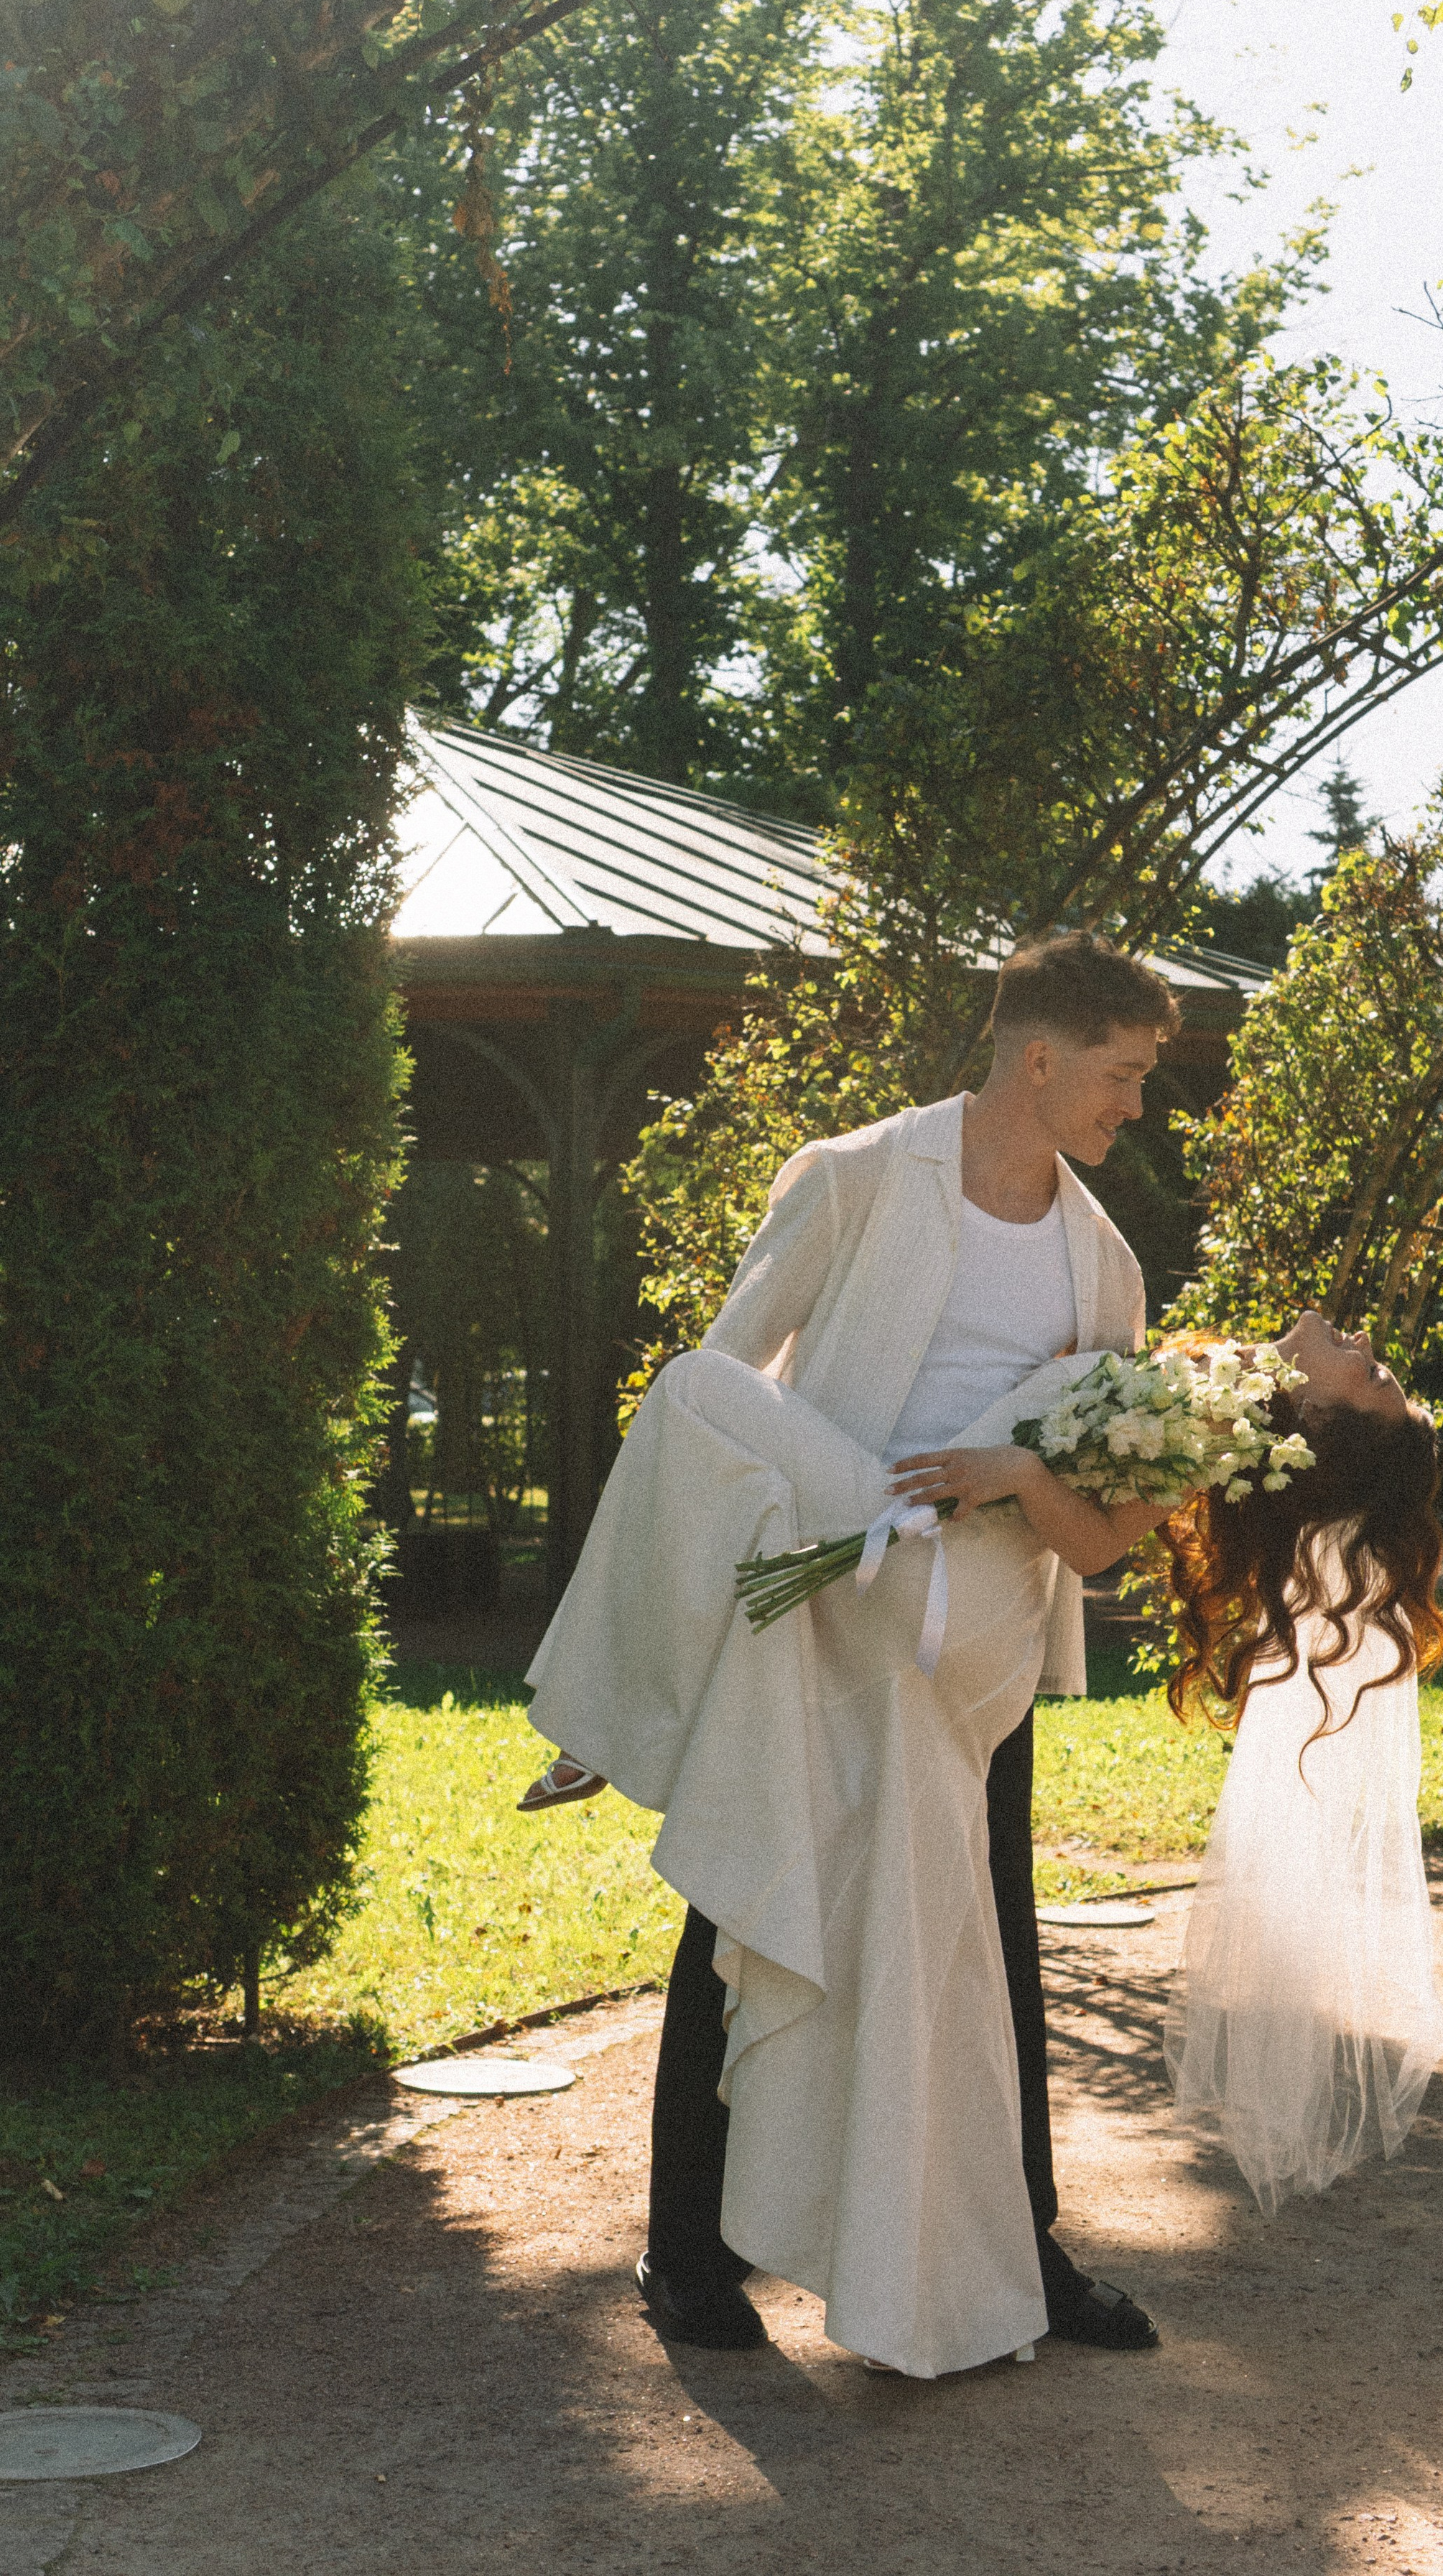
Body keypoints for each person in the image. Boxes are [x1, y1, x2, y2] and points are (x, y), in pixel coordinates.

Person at [518, 932, 1175, 2373]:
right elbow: (712, 1393)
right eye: (1123, 1077)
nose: (1135, 1109)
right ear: (1041, 1055)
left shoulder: (1103, 1266)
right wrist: (667, 1644)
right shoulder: (857, 1176)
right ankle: (684, 2254)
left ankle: (1023, 2250)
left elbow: (1088, 1502)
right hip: (811, 1623)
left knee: (994, 1938)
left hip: (976, 1655)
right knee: (743, 1913)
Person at [1157, 1311, 1443, 2213]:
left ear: (1316, 1429)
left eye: (1371, 1374)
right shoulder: (1179, 1388)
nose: (1361, 1340)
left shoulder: (1179, 1415)